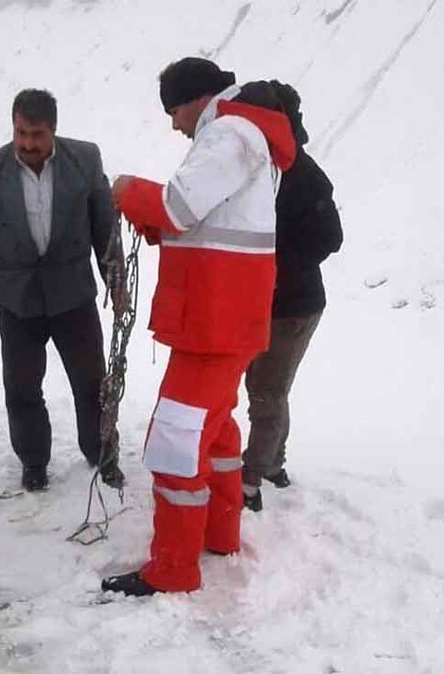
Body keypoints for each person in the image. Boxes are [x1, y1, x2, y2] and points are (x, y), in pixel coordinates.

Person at [102, 58, 296, 596]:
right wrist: (155, 224)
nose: (172, 124)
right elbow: (208, 223)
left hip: (214, 325)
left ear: (194, 99)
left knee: (176, 441)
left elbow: (180, 206)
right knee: (216, 434)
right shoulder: (243, 136)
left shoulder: (229, 134)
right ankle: (220, 535)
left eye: (172, 110)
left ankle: (172, 568)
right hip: (223, 323)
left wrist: (127, 190)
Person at [0, 88, 125, 492]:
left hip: (74, 297)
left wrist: (116, 285)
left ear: (53, 130)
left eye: (36, 134)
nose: (28, 143)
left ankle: (102, 452)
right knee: (21, 388)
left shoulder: (84, 161)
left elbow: (105, 228)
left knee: (92, 384)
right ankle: (33, 461)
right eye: (21, 133)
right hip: (18, 300)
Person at [235, 80, 343, 512]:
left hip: (294, 305)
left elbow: (331, 238)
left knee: (266, 390)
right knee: (267, 387)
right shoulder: (265, 164)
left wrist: (275, 267)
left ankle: (251, 479)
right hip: (270, 300)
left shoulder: (303, 172)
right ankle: (273, 463)